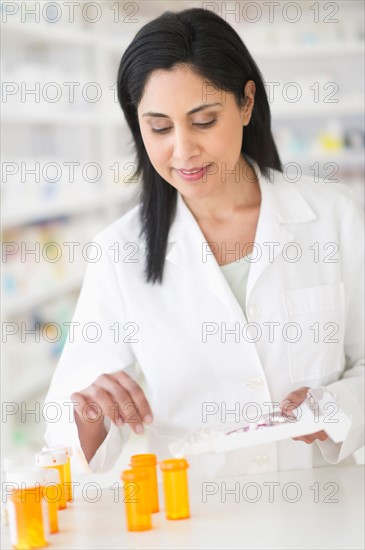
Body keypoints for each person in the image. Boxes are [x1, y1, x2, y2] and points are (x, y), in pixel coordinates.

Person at [44, 8, 364, 477]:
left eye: (204, 120)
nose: (183, 150)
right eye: (159, 127)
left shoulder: (335, 217)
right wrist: (88, 413)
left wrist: (335, 404)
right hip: (197, 518)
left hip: (327, 514)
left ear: (247, 103)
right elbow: (64, 428)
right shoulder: (119, 252)